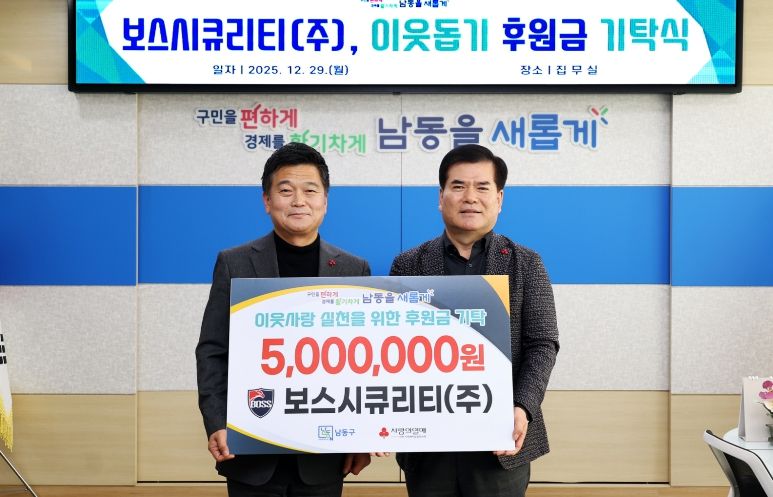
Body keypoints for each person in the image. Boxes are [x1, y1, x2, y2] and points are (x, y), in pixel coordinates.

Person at [196, 142, 372, 497]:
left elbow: (366, 363)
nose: (298, 201)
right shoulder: (235, 263)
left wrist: (363, 435)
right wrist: (216, 421)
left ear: (325, 201)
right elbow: (213, 350)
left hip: (325, 454)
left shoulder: (353, 270)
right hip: (250, 450)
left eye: (310, 191)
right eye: (286, 191)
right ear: (267, 200)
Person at [389, 144, 559, 497]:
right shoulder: (408, 265)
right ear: (441, 197)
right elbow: (390, 349)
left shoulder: (526, 263)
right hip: (428, 444)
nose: (470, 197)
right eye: (458, 186)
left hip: (500, 442)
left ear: (499, 198)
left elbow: (542, 344)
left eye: (482, 187)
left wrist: (522, 406)